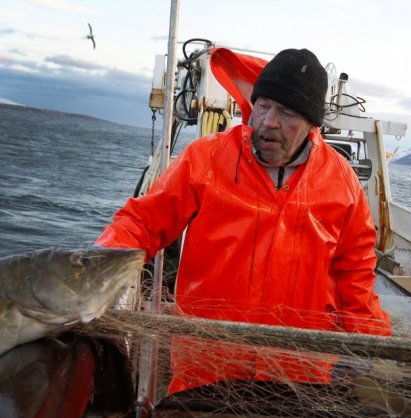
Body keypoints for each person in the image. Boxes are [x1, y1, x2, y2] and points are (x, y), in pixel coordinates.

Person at [96, 48, 391, 394]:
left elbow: (355, 273)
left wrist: (367, 347)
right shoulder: (206, 158)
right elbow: (142, 222)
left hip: (302, 371)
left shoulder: (342, 182)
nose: (268, 121)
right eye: (263, 104)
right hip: (206, 365)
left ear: (313, 124)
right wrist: (94, 268)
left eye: (287, 112)